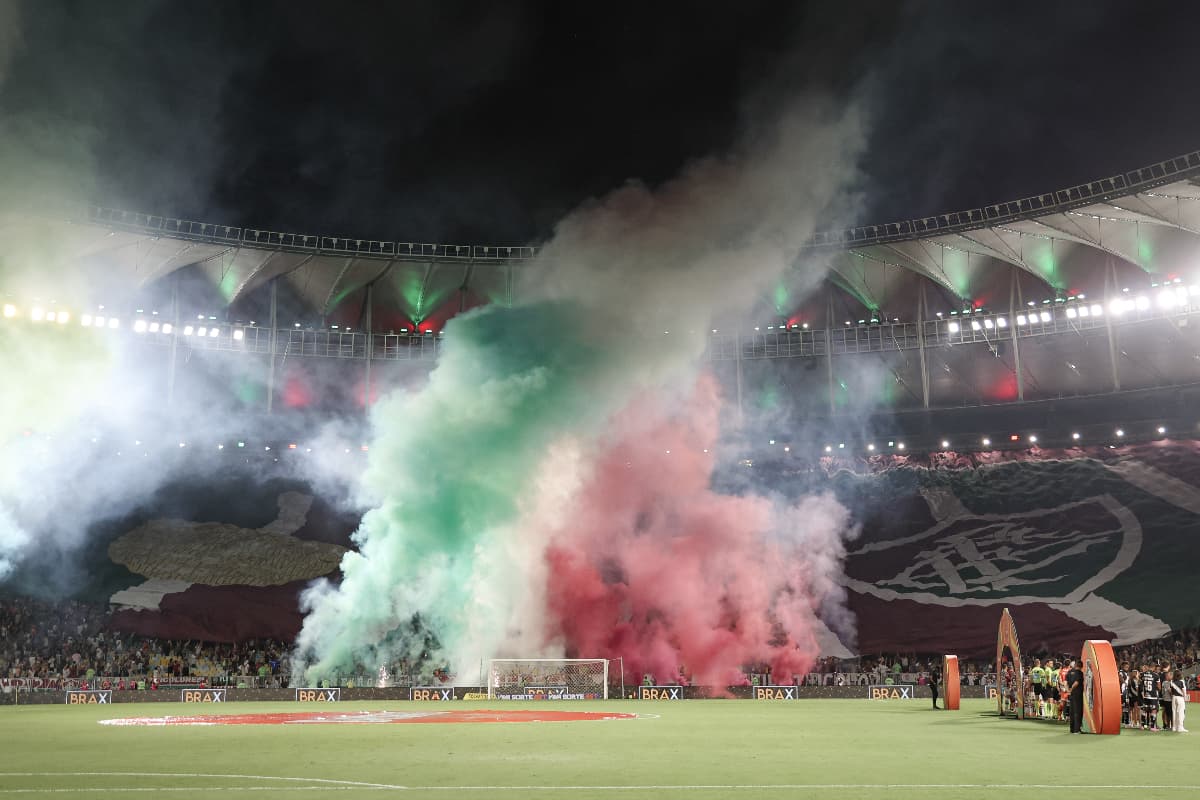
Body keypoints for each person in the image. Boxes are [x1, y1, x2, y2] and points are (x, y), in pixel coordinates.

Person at [1065, 659, 1084, 734]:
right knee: (1078, 711)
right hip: (1077, 694)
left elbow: (1065, 682)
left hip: (1071, 694)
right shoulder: (1080, 673)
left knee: (1072, 711)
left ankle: (1072, 729)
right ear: (1081, 666)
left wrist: (1068, 690)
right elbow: (1076, 682)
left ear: (1075, 665)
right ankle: (1077, 730)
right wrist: (1072, 689)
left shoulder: (1069, 672)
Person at [1139, 663, 1160, 731]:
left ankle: (1142, 726)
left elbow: (1140, 683)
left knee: (1144, 710)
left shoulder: (1142, 674)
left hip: (1145, 695)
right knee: (1153, 710)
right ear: (1153, 667)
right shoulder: (1156, 675)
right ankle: (1152, 727)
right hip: (1153, 696)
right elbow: (1159, 687)